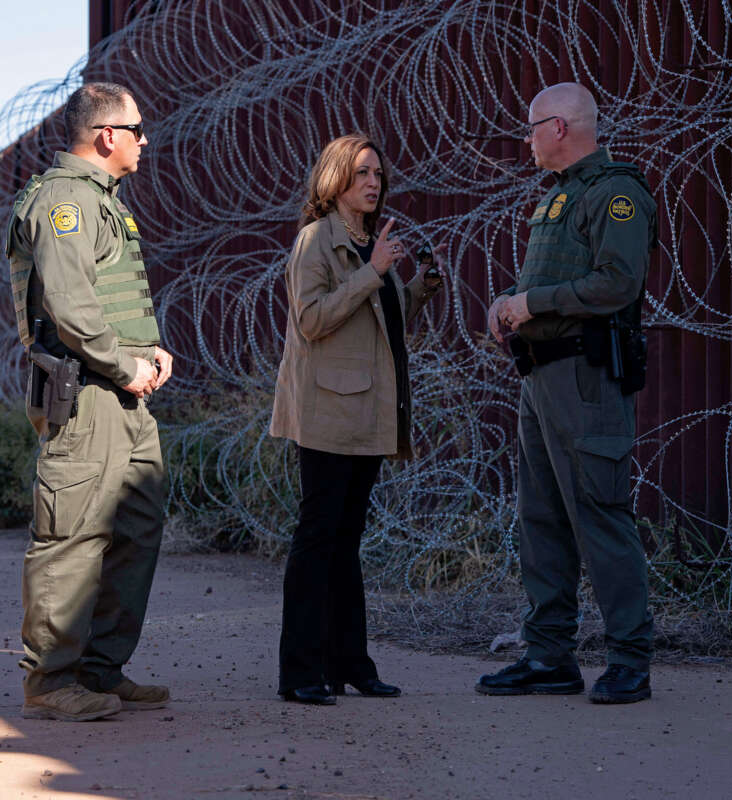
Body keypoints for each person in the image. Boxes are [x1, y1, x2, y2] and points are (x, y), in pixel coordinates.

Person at [476, 83, 657, 704]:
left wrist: (530, 303)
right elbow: (556, 281)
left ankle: (630, 659)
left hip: (585, 378)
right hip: (541, 376)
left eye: (531, 128)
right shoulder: (559, 196)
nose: (525, 140)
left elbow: (615, 284)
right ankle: (549, 654)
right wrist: (513, 309)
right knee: (542, 517)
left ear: (559, 128)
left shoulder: (616, 194)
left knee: (599, 513)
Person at [6, 82, 175, 721]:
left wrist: (150, 350)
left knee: (136, 527)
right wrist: (123, 362)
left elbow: (109, 297)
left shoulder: (105, 202)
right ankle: (51, 682)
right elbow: (71, 309)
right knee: (71, 536)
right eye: (137, 130)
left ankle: (100, 672)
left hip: (127, 396)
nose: (144, 141)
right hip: (88, 394)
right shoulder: (65, 202)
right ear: (107, 136)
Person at [269, 133, 443, 705]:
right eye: (363, 172)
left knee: (347, 541)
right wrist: (373, 272)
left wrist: (417, 288)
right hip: (326, 412)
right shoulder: (316, 241)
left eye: (378, 174)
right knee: (318, 537)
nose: (374, 182)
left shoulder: (370, 241)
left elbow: (376, 320)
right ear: (335, 179)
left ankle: (351, 665)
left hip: (367, 412)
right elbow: (313, 319)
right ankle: (299, 672)